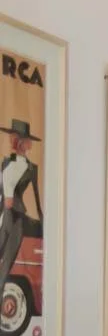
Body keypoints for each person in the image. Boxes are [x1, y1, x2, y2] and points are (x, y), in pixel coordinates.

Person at [0, 119, 42, 286]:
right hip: (5, 216)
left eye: (16, 138)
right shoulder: (6, 162)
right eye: (12, 137)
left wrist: (43, 223)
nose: (12, 141)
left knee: (6, 266)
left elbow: (37, 199)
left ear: (25, 143)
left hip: (18, 219)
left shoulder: (32, 169)